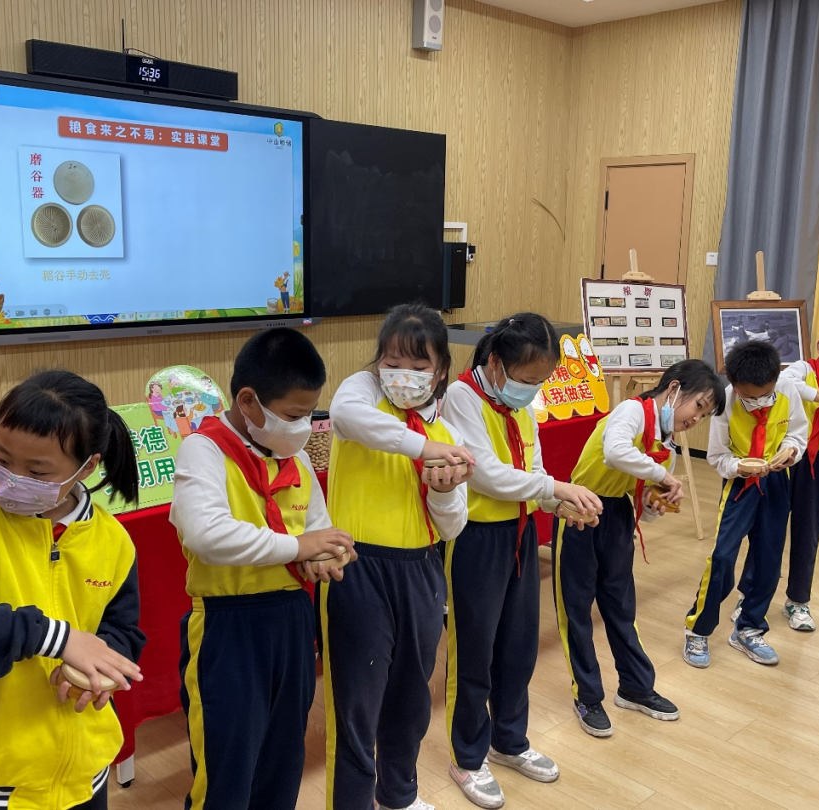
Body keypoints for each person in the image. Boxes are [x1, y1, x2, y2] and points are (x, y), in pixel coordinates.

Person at [0, 370, 146, 810]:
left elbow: (123, 632)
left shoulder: (113, 541)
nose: (11, 478)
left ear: (87, 467)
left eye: (36, 471)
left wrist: (98, 673)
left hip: (85, 766)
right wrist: (62, 640)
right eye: (1, 459)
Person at [170, 327, 357, 810]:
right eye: (294, 416)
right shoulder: (203, 448)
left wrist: (325, 557)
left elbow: (317, 530)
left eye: (309, 414)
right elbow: (206, 535)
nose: (303, 427)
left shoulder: (295, 459)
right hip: (228, 626)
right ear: (249, 401)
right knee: (226, 772)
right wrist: (299, 547)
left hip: (292, 620)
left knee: (282, 761)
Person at [439, 313, 602, 808]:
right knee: (474, 652)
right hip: (476, 537)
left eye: (540, 381)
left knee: (519, 645)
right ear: (495, 363)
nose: (532, 390)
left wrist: (558, 503)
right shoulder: (462, 397)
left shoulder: (520, 407)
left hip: (521, 531)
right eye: (527, 379)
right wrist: (556, 488)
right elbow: (486, 475)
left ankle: (509, 740)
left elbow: (532, 470)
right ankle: (467, 757)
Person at [321, 303, 476, 810]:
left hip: (422, 571)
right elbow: (345, 416)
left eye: (418, 365)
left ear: (441, 371)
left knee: (410, 698)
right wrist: (422, 449)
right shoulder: (362, 400)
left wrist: (443, 492)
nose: (402, 375)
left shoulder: (448, 435)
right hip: (357, 568)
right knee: (356, 704)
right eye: (392, 363)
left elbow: (453, 526)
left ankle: (399, 795)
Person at [556, 360, 724, 738]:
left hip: (616, 515)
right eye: (698, 406)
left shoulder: (666, 447)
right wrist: (661, 475)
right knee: (576, 611)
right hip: (579, 509)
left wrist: (653, 504)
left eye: (705, 415)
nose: (696, 419)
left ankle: (635, 686)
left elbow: (645, 508)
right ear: (674, 389)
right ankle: (587, 696)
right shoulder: (632, 411)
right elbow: (615, 452)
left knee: (621, 606)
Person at [735, 316, 819, 632]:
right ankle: (749, 595)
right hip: (782, 460)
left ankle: (798, 601)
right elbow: (786, 384)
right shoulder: (801, 370)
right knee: (766, 530)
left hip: (818, 466)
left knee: (808, 534)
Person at [683, 341, 808, 668]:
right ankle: (698, 629)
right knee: (723, 556)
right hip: (740, 486)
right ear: (735, 386)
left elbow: (798, 433)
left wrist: (791, 452)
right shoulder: (725, 402)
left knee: (769, 560)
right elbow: (717, 456)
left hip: (777, 483)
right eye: (750, 397)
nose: (759, 402)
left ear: (776, 380)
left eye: (765, 395)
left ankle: (749, 628)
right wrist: (740, 467)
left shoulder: (787, 390)